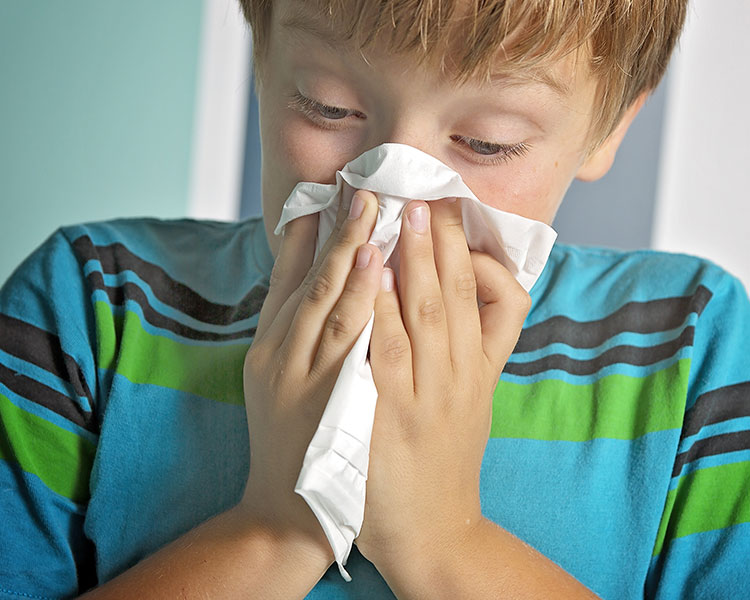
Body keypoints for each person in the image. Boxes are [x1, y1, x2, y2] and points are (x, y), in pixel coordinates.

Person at [1, 0, 748, 597]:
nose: (390, 189)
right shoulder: (90, 307)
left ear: (609, 125)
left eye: (487, 142)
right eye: (326, 106)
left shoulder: (694, 354)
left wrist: (442, 539)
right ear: (262, 60)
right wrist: (278, 528)